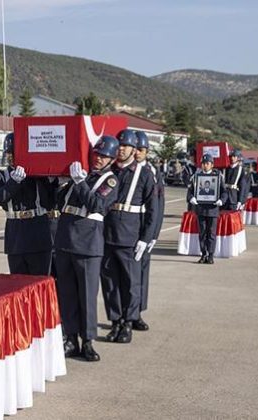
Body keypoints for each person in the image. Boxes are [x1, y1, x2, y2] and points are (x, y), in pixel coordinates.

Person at [55, 136, 119, 362]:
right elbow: (59, 202)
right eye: (97, 154)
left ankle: (88, 341)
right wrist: (64, 183)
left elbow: (97, 206)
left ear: (112, 159)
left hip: (88, 243)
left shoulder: (110, 180)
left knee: (87, 295)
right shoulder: (79, 174)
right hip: (65, 239)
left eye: (103, 156)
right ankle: (70, 338)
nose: (99, 159)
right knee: (67, 294)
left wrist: (79, 183)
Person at [101, 130, 157, 344]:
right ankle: (115, 321)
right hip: (107, 234)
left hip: (130, 236)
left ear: (134, 150)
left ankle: (127, 323)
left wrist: (146, 238)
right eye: (120, 145)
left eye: (126, 146)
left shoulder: (144, 174)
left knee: (130, 283)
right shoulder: (110, 171)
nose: (121, 149)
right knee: (110, 283)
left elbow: (152, 209)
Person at [0, 132, 56, 275]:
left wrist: (51, 179)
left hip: (38, 229)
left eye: (14, 153)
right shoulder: (0, 176)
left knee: (39, 282)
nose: (11, 157)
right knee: (18, 283)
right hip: (15, 233)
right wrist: (14, 182)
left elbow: (50, 201)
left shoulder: (38, 174)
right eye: (8, 153)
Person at [135, 131, 163, 332]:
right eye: (134, 149)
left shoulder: (151, 171)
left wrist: (153, 234)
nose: (137, 153)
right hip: (126, 226)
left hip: (144, 223)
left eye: (141, 150)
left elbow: (158, 205)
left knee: (141, 272)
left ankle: (137, 312)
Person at [187, 154, 228, 264]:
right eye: (203, 163)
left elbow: (224, 192)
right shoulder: (196, 177)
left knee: (211, 233)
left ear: (212, 165)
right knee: (202, 233)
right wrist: (191, 198)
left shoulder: (218, 177)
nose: (205, 165)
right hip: (200, 209)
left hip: (213, 209)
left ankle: (210, 255)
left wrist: (221, 201)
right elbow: (190, 191)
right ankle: (203, 254)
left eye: (207, 163)